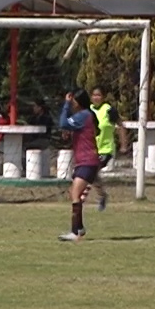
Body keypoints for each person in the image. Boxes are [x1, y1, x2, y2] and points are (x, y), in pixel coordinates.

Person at [57, 89, 100, 242]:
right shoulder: (84, 116)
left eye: (74, 101)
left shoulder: (83, 115)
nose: (72, 103)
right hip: (85, 161)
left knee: (75, 194)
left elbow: (62, 123)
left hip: (88, 162)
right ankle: (79, 228)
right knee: (74, 193)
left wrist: (66, 104)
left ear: (79, 102)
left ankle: (75, 232)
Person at [89, 85, 129, 210]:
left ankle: (88, 198)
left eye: (99, 95)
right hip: (91, 148)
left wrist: (123, 144)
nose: (96, 98)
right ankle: (102, 195)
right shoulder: (87, 110)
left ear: (103, 97)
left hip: (106, 149)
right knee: (91, 174)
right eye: (94, 95)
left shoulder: (109, 110)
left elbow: (121, 126)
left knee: (92, 171)